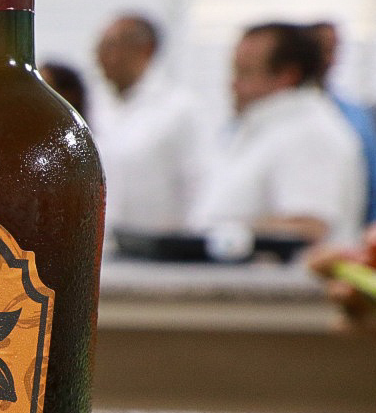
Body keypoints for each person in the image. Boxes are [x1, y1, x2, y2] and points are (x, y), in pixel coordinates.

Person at [189, 22, 366, 246]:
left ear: (287, 75)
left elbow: (309, 226)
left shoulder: (309, 134)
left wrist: (221, 233)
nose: (233, 84)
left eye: (245, 72)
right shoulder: (263, 130)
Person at [92, 13, 204, 232]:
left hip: (159, 244)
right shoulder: (94, 106)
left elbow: (197, 184)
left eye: (111, 46)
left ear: (145, 50)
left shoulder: (180, 109)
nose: (101, 57)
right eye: (100, 47)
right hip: (106, 243)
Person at [307, 21, 376, 225]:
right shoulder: (273, 114)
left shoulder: (354, 115)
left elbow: (370, 175)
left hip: (349, 227)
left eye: (333, 50)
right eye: (322, 49)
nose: (329, 59)